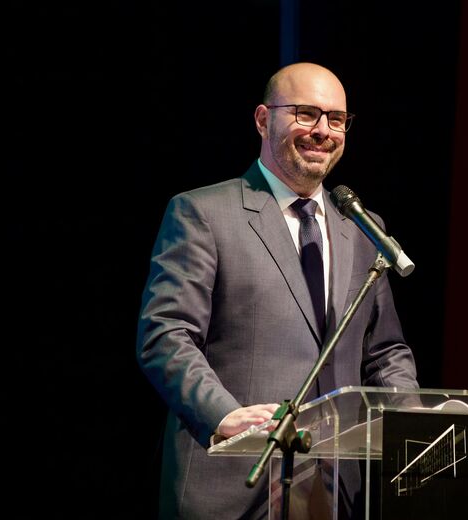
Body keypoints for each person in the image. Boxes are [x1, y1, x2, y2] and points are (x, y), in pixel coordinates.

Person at [136, 62, 419, 519]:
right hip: (233, 481)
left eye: (336, 119)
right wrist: (224, 416)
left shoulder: (362, 228)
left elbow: (384, 351)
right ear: (264, 120)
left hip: (333, 491)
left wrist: (416, 423)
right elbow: (166, 336)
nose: (323, 131)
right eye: (306, 113)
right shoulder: (203, 213)